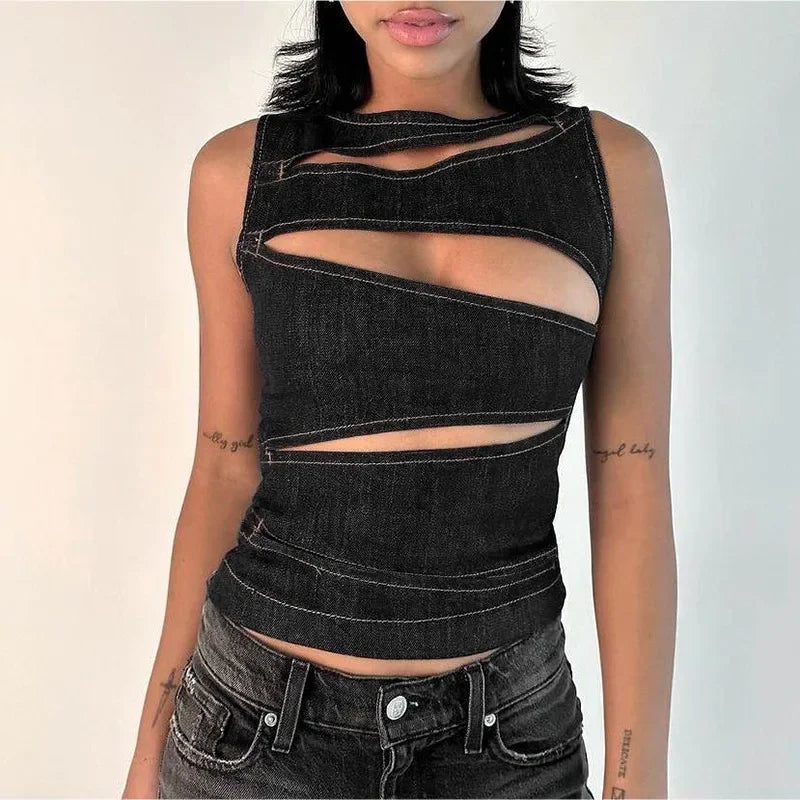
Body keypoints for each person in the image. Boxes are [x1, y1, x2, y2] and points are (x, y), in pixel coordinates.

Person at [123, 2, 675, 797]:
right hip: (252, 740)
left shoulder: (610, 171)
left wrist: (636, 783)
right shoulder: (238, 175)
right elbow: (223, 470)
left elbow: (632, 486)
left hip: (512, 747)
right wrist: (147, 760)